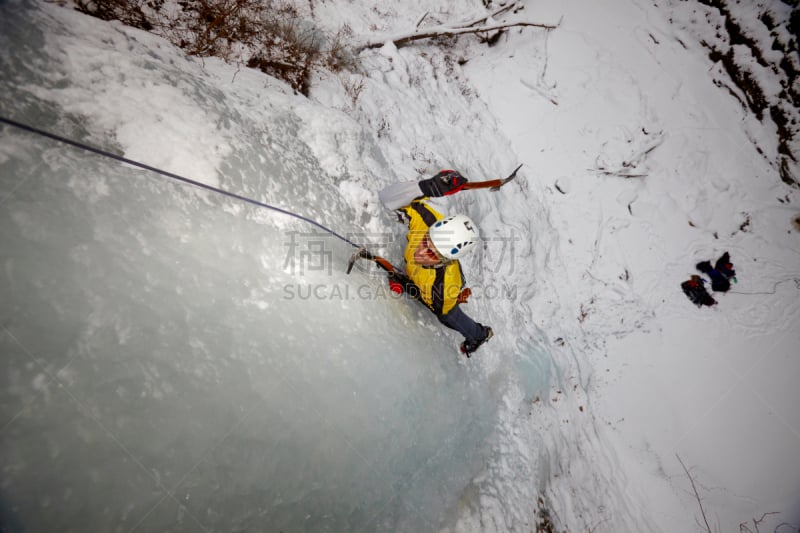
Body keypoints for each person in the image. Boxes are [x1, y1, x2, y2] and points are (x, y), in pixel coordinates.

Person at [379, 170, 493, 356]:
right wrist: (425, 187)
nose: (421, 252)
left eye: (432, 254)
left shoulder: (440, 290)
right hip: (440, 276)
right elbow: (386, 199)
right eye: (426, 241)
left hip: (448, 292)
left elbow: (428, 302)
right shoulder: (427, 222)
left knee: (450, 317)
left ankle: (480, 335)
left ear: (446, 260)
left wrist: (404, 284)